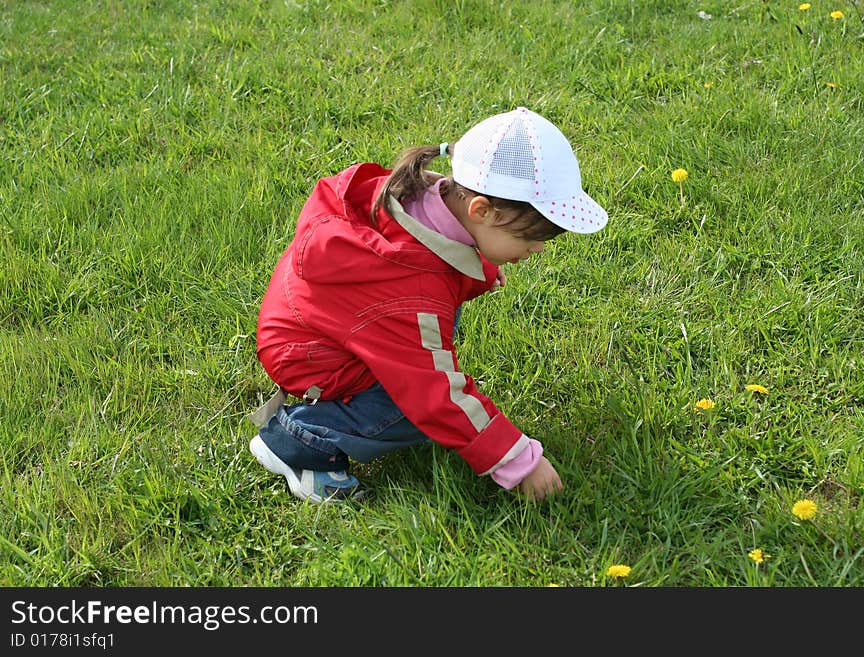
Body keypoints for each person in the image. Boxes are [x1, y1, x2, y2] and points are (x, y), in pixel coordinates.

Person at [248, 107, 608, 504]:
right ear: (482, 210)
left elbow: (439, 250)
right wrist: (518, 460)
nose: (537, 248)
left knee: (427, 360)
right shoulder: (410, 289)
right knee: (415, 405)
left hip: (312, 323)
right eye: (532, 236)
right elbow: (437, 396)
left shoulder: (418, 197)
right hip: (313, 354)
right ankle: (302, 439)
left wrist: (480, 269)